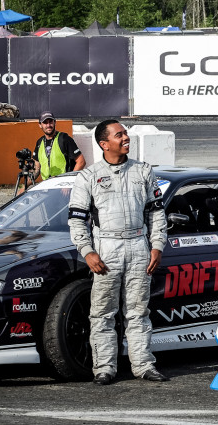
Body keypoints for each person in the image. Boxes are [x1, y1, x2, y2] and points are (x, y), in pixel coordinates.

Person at [67, 119, 169, 385]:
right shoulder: (88, 177)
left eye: (126, 133)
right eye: (119, 135)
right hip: (106, 249)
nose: (126, 138)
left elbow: (156, 213)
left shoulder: (144, 171)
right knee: (102, 313)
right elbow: (77, 220)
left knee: (138, 311)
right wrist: (87, 251)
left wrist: (157, 245)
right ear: (104, 143)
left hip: (139, 246)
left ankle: (144, 366)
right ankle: (104, 368)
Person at [33, 111, 86, 180]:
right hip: (46, 185)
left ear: (55, 122)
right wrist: (24, 187)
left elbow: (81, 162)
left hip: (62, 184)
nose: (48, 125)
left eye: (50, 122)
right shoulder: (39, 142)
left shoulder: (64, 139)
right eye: (45, 122)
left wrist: (68, 181)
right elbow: (36, 169)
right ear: (40, 125)